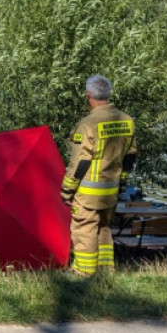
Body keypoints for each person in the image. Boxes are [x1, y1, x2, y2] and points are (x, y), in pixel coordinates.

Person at [60, 75, 137, 276]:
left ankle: (82, 273)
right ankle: (104, 271)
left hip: (87, 192)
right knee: (103, 229)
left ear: (88, 95)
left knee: (84, 229)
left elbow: (80, 162)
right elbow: (130, 157)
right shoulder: (127, 121)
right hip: (110, 190)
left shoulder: (87, 124)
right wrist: (121, 183)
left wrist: (67, 190)